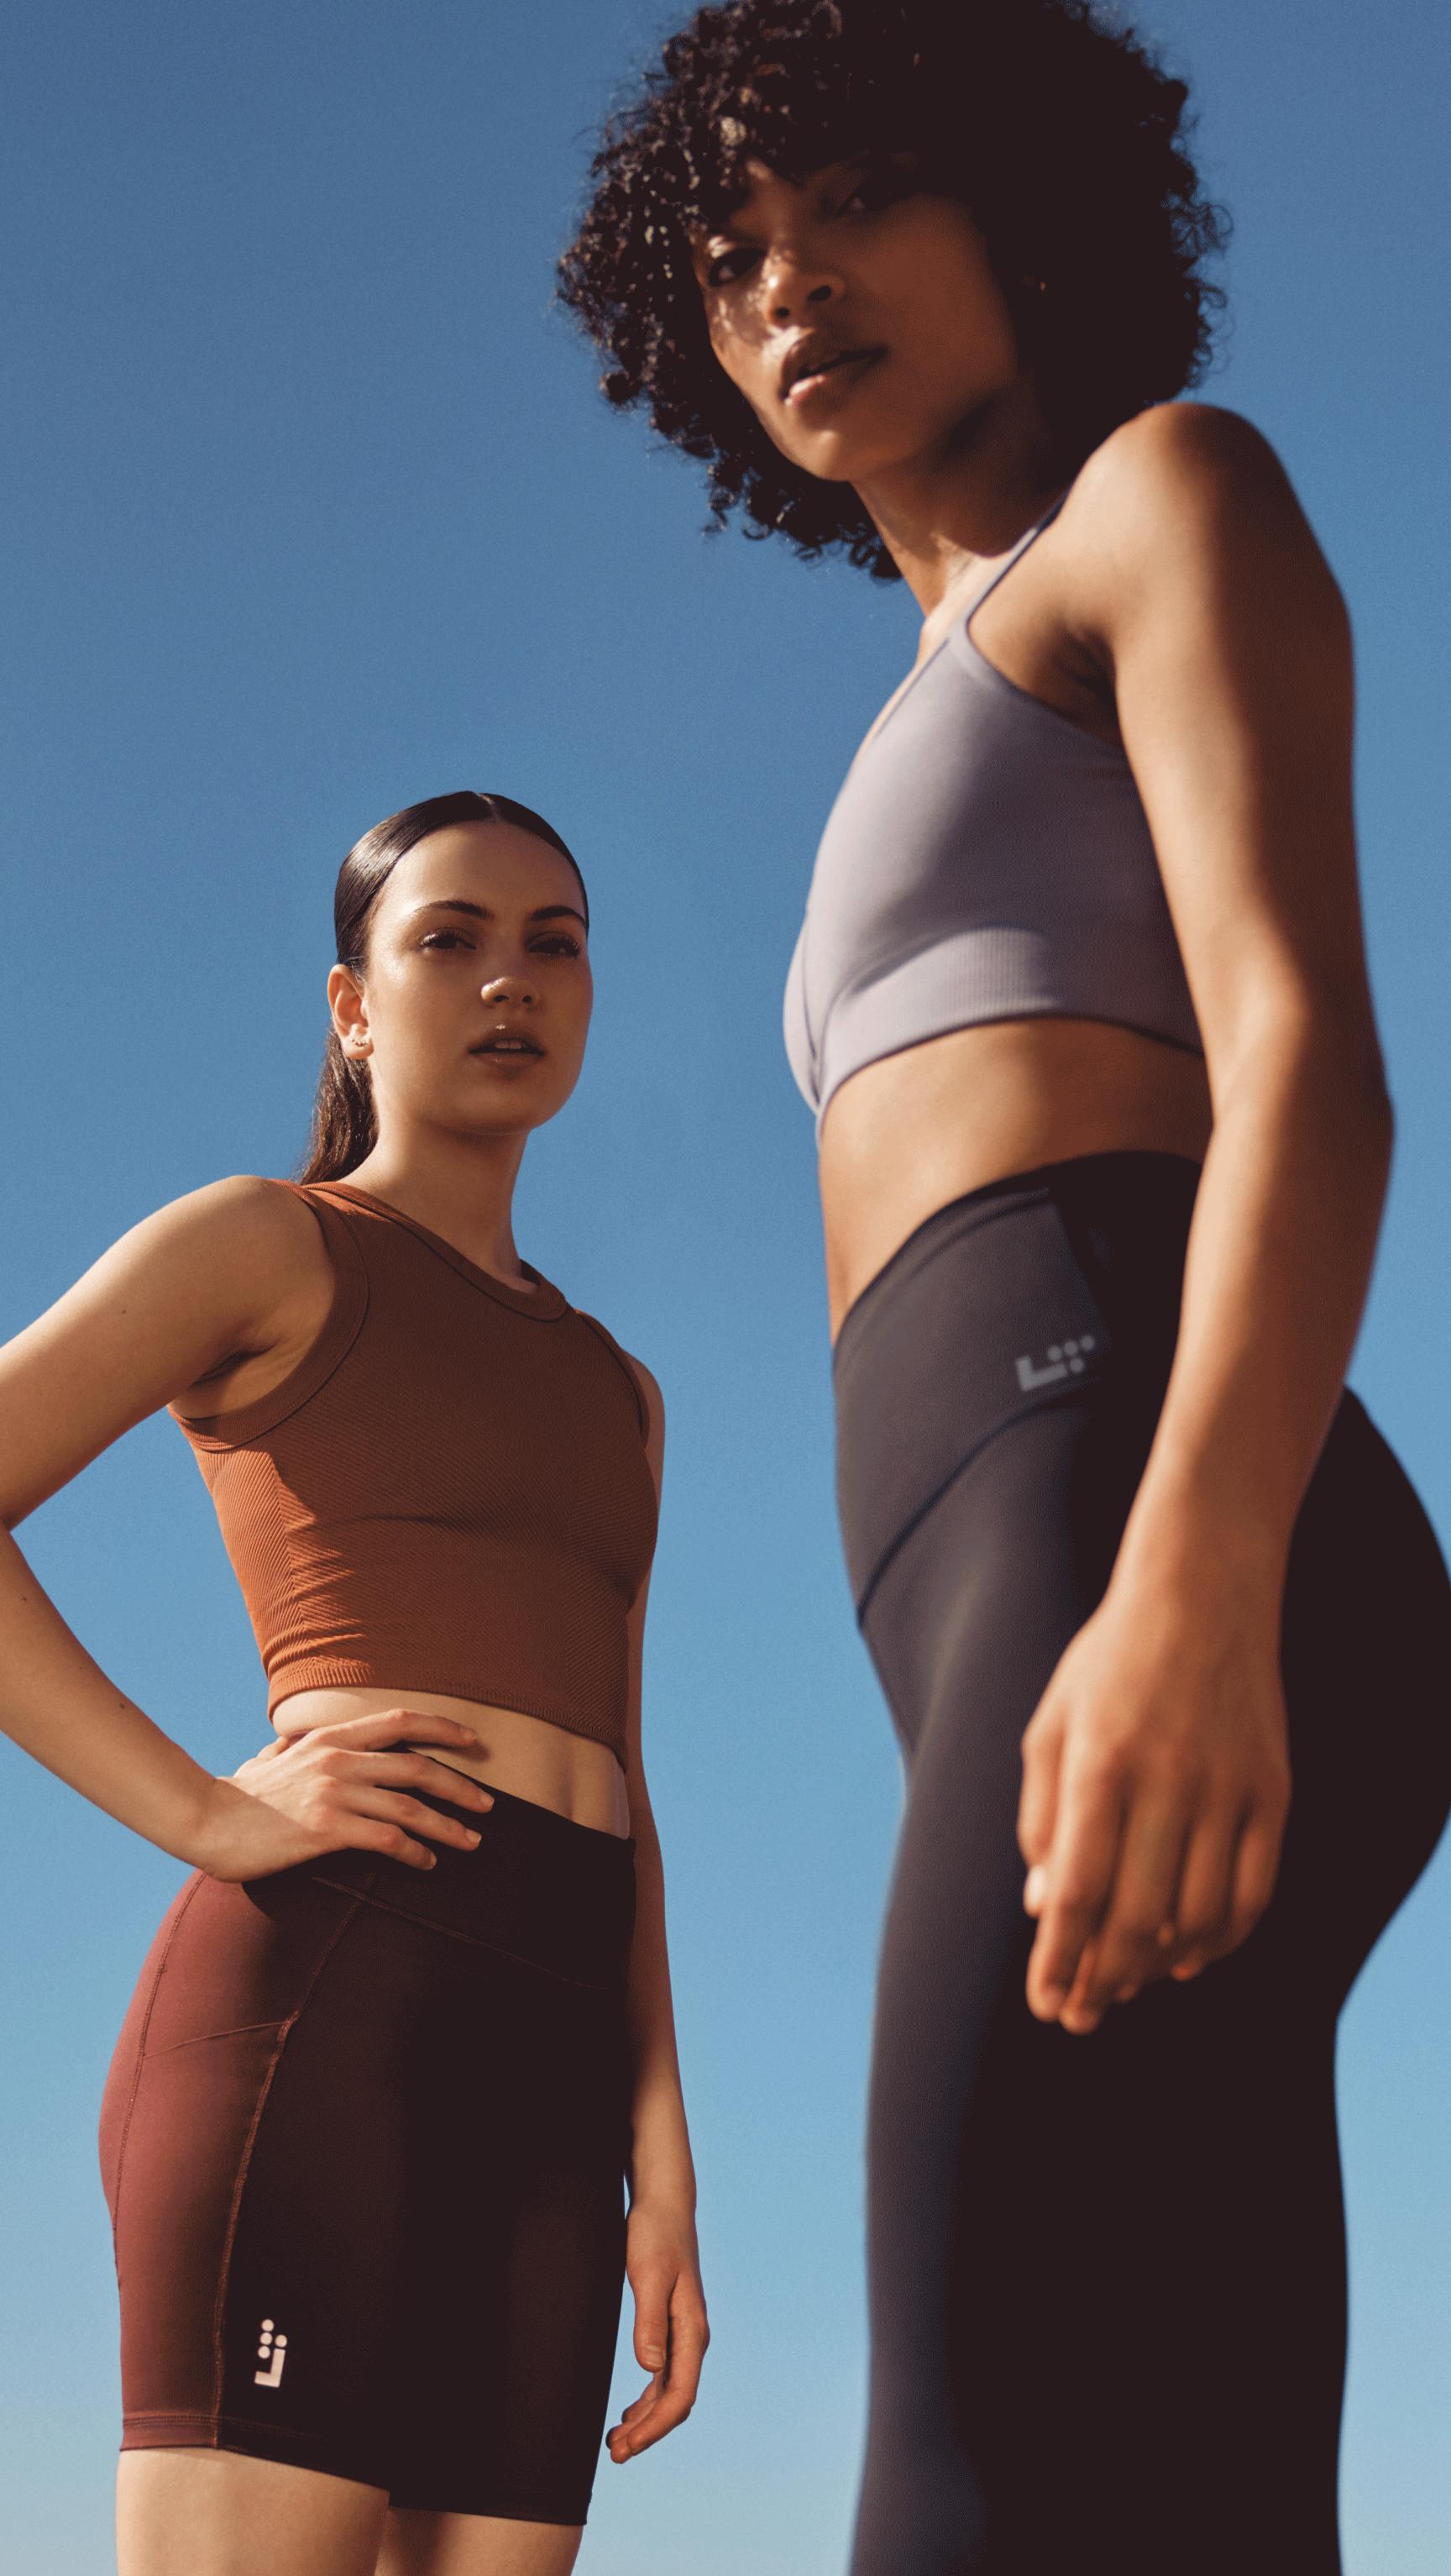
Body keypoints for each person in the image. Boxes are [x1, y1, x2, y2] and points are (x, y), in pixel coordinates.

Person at [556, 6, 1451, 2569]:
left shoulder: (1158, 502)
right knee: (1193, 2450)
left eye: (853, 201)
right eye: (729, 259)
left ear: (1017, 206)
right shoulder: (916, 683)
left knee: (965, 2441)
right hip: (1023, 1550)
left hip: (1146, 1505)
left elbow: (1312, 1060)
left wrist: (1193, 1584)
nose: (790, 283)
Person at [0, 790, 708, 2576]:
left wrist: (661, 2135)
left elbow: (622, 1758)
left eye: (555, 940)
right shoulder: (268, 1245)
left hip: (553, 2069)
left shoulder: (620, 1389)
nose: (509, 981)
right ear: (351, 1003)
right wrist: (208, 1811)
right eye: (450, 938)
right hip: (327, 2008)